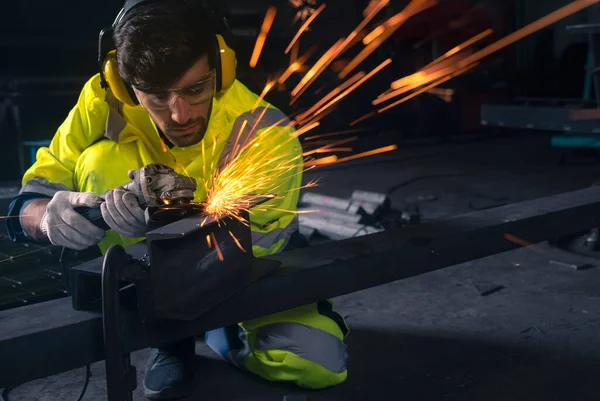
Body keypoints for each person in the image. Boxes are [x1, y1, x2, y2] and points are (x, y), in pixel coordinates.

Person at [6, 0, 349, 399]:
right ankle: (164, 334)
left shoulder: (263, 131)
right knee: (99, 159)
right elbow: (33, 195)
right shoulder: (104, 101)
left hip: (241, 276)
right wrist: (47, 217)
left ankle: (215, 327)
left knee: (315, 362)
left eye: (195, 89)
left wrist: (159, 229)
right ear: (122, 83)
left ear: (221, 70)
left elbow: (255, 248)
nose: (180, 114)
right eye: (155, 95)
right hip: (145, 281)